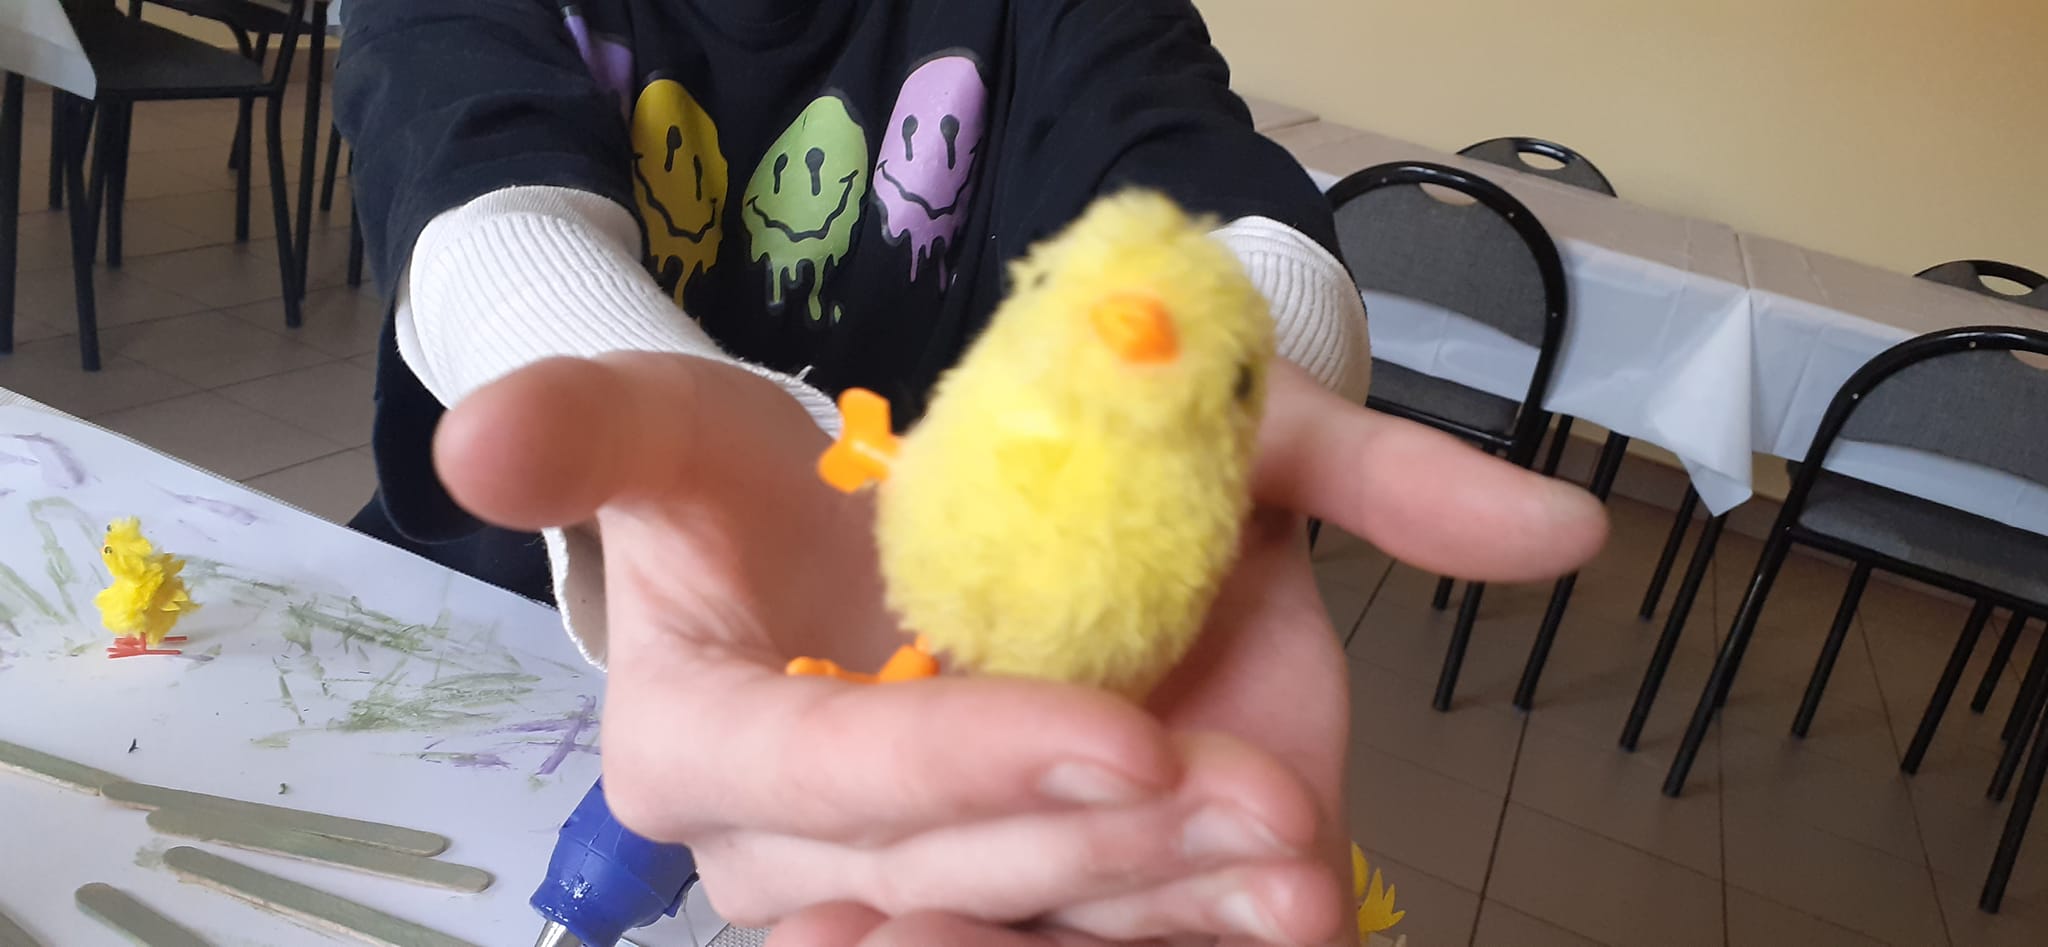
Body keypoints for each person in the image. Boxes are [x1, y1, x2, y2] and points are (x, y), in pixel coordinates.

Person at [334, 0, 1608, 943]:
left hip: (898, 654)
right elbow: (483, 211)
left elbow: (1214, 197)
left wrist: (1193, 398)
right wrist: (682, 430)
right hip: (476, 614)